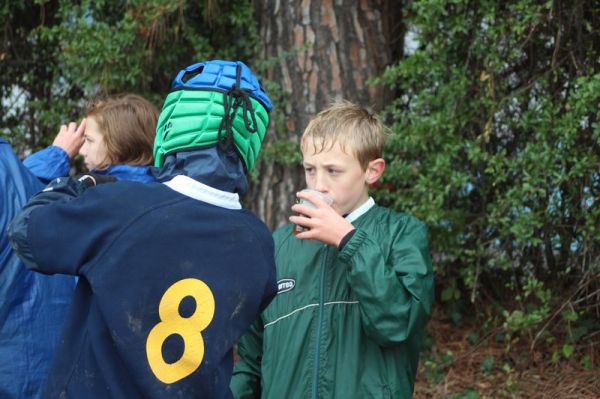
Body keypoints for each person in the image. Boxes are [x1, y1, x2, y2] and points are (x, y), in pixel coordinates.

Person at [8, 60, 277, 398]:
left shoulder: (121, 206)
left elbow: (26, 233)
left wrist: (83, 183)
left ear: (175, 122)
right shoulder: (260, 242)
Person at [231, 100, 434, 399]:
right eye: (310, 169)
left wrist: (350, 242)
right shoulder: (278, 246)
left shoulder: (401, 234)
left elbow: (397, 324)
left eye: (333, 171)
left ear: (372, 171)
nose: (319, 184)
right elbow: (251, 360)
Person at [0, 93, 158, 399]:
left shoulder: (91, 202)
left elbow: (25, 210)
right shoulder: (168, 198)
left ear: (116, 144)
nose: (80, 150)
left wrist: (58, 158)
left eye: (88, 140)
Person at [24, 93, 158, 184]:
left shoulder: (94, 197)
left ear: (119, 145)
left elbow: (24, 196)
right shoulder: (165, 188)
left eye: (89, 140)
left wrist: (57, 155)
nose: (81, 151)